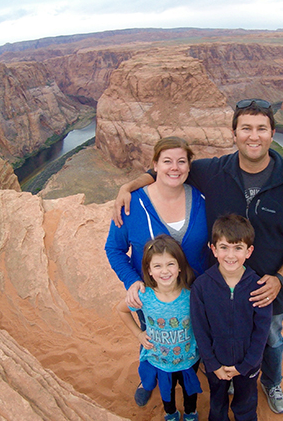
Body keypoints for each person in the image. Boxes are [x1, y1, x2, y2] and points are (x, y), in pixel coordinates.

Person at [113, 98, 283, 414]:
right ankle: (224, 376)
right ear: (234, 134)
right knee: (224, 334)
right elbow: (168, 170)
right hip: (220, 285)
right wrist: (128, 186)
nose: (254, 136)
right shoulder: (214, 171)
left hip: (268, 289)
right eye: (246, 128)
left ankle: (271, 381)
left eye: (261, 129)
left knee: (272, 339)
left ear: (273, 133)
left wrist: (281, 278)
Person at [105, 136, 209, 406]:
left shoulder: (202, 200)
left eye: (181, 162)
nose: (174, 168)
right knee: (151, 336)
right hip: (152, 293)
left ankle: (194, 371)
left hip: (194, 294)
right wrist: (132, 281)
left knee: (192, 333)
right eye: (167, 161)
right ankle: (148, 377)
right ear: (154, 165)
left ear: (189, 166)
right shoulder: (131, 204)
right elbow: (114, 249)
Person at [190, 214, 272, 421]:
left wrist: (245, 366)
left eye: (238, 248)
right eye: (224, 247)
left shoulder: (259, 288)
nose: (231, 255)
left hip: (248, 365)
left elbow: (261, 332)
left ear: (249, 251)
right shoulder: (201, 287)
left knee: (246, 401)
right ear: (213, 249)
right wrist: (212, 364)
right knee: (217, 402)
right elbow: (200, 329)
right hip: (215, 363)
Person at [115, 235, 202, 421]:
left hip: (189, 359)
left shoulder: (192, 295)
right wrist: (138, 334)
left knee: (189, 391)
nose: (165, 271)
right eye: (157, 266)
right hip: (159, 361)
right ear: (149, 270)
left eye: (170, 264)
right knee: (167, 392)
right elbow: (121, 310)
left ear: (180, 267)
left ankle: (190, 413)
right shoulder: (144, 296)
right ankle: (171, 414)